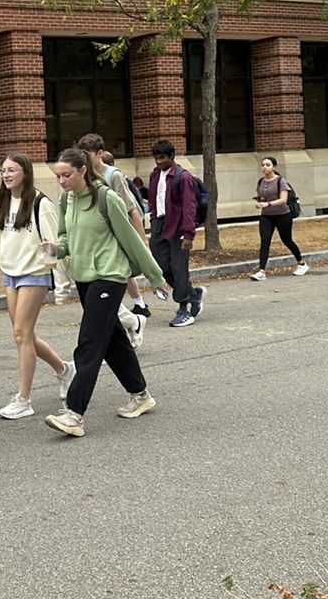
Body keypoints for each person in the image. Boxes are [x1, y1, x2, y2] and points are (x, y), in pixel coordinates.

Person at [44, 149, 167, 438]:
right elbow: (65, 237)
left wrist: (155, 276)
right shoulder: (67, 199)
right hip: (85, 278)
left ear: (83, 170)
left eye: (66, 175)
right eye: (58, 176)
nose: (61, 181)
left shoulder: (106, 198)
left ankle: (74, 414)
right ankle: (140, 395)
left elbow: (131, 239)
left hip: (109, 277)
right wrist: (55, 249)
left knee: (89, 343)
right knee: (112, 341)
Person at [0, 154, 75, 420]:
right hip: (10, 275)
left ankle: (24, 398)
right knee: (24, 336)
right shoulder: (1, 204)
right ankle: (64, 370)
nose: (6, 175)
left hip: (35, 274)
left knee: (21, 333)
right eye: (3, 171)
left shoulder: (40, 203)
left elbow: (53, 244)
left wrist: (61, 284)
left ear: (25, 173)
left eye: (12, 170)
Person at [77, 133, 151, 318]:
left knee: (115, 276)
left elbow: (132, 210)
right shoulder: (83, 175)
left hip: (116, 235)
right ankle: (134, 312)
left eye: (88, 154)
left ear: (100, 153)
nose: (84, 158)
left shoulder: (113, 175)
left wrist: (142, 241)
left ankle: (133, 313)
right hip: (95, 237)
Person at [146, 139, 207, 327]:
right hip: (159, 225)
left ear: (172, 156)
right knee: (161, 268)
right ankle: (193, 294)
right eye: (156, 158)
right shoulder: (155, 175)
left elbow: (189, 207)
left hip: (178, 227)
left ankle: (183, 309)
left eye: (162, 158)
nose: (158, 162)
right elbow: (154, 199)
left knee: (179, 268)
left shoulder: (183, 177)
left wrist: (189, 234)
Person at [251, 157, 308, 281]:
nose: (264, 167)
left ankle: (301, 263)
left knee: (287, 240)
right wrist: (260, 202)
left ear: (274, 167)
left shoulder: (280, 181)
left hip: (283, 215)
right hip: (266, 216)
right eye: (263, 165)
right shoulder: (261, 181)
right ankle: (261, 271)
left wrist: (268, 204)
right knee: (265, 241)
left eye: (267, 165)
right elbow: (261, 197)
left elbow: (283, 200)